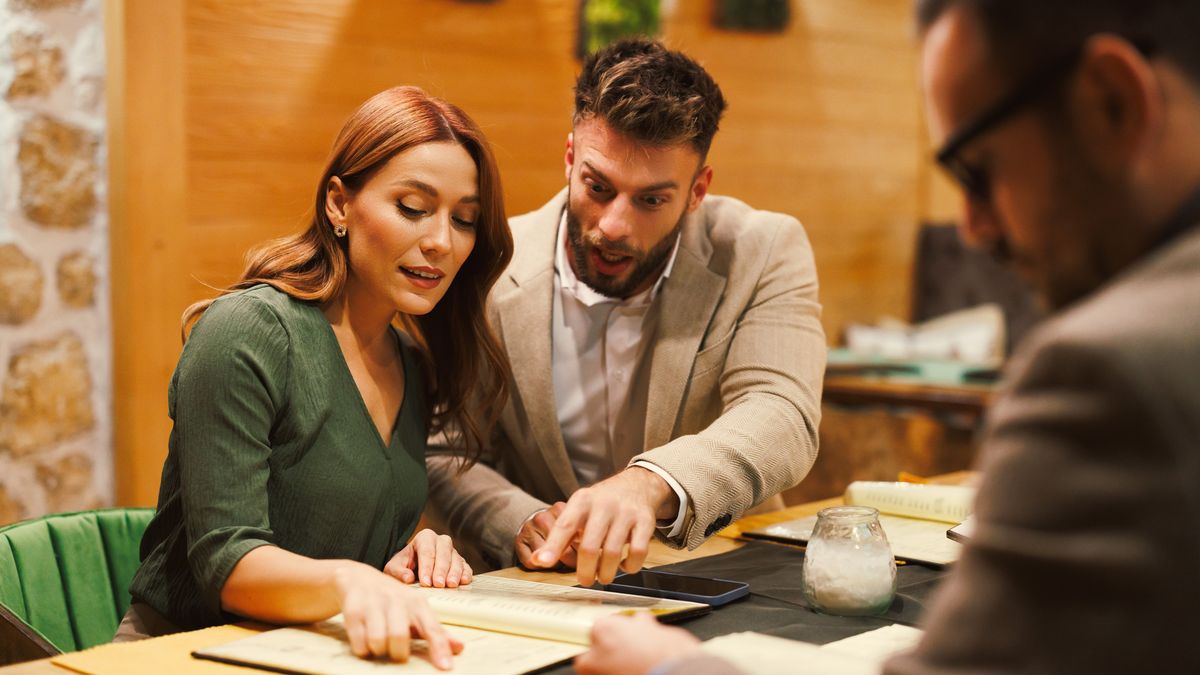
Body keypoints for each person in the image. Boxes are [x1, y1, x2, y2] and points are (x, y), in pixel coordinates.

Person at [574, 0, 1200, 673]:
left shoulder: (1110, 370)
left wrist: (673, 667)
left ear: (1112, 101)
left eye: (977, 170)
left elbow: (781, 411)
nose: (973, 227)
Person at [119, 86, 515, 670]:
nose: (441, 241)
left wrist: (413, 552)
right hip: (187, 654)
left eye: (464, 219)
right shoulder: (248, 331)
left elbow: (344, 538)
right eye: (412, 207)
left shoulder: (413, 363)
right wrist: (351, 583)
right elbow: (225, 561)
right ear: (338, 204)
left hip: (321, 652)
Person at [426, 38, 826, 585]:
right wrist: (520, 518)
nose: (614, 225)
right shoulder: (489, 262)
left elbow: (783, 414)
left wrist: (650, 483)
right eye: (598, 186)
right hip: (553, 586)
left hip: (729, 573)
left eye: (651, 200)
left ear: (696, 191)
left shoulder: (762, 249)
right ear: (570, 158)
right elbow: (449, 450)